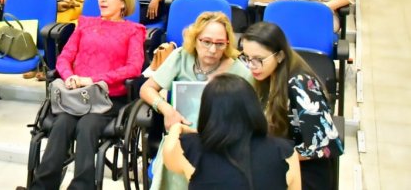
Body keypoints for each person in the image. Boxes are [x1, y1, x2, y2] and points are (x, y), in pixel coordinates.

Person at [28, 0, 145, 190]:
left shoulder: (133, 30)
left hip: (107, 99)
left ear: (123, 2)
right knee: (61, 124)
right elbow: (64, 57)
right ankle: (41, 187)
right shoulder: (85, 24)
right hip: (75, 96)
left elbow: (134, 68)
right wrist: (68, 75)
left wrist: (93, 80)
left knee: (87, 126)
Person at [139, 12, 252, 190]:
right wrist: (167, 110)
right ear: (195, 38)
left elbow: (250, 114)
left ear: (228, 43)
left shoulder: (239, 70)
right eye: (206, 41)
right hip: (182, 138)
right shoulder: (181, 57)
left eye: (220, 44)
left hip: (222, 144)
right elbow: (146, 88)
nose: (213, 50)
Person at [241, 22, 343, 190]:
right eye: (246, 58)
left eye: (259, 60)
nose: (252, 66)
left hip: (306, 171)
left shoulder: (301, 84)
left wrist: (270, 156)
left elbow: (322, 146)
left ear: (280, 55)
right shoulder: (264, 77)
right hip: (278, 161)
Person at [162, 74, 301, 190]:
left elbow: (169, 156)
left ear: (207, 110)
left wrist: (177, 127)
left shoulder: (191, 146)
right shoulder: (285, 150)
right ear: (253, 108)